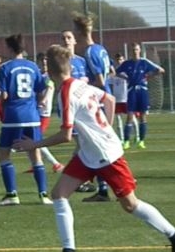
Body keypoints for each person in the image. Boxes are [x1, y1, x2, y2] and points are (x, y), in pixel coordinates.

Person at [13, 45, 175, 252]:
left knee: (130, 204)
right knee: (59, 194)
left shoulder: (65, 93)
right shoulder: (81, 85)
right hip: (89, 154)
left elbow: (66, 135)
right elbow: (110, 99)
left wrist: (34, 145)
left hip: (107, 155)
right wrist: (104, 128)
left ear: (49, 70)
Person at [0, 34, 52, 205]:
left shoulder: (5, 68)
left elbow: (4, 95)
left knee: (3, 154)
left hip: (13, 116)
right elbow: (41, 90)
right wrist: (37, 103)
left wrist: (2, 105)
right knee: (35, 154)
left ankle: (12, 194)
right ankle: (43, 194)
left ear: (10, 48)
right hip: (32, 117)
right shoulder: (33, 66)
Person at [73, 15, 113, 202]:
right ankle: (103, 187)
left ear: (79, 32)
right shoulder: (101, 49)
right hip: (104, 100)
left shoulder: (89, 52)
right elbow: (109, 72)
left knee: (97, 146)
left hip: (97, 104)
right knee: (97, 146)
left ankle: (106, 187)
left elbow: (101, 81)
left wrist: (82, 89)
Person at [62, 29, 97, 194]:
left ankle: (78, 178)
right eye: (63, 38)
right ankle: (78, 178)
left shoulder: (82, 61)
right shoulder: (61, 62)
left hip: (84, 108)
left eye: (69, 37)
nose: (66, 40)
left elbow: (92, 80)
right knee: (83, 143)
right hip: (71, 108)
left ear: (75, 41)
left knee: (85, 143)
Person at [116, 43, 165, 149]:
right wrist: (126, 78)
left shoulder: (144, 62)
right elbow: (116, 72)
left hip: (142, 90)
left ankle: (141, 141)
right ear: (130, 51)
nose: (135, 52)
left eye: (136, 49)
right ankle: (126, 141)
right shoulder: (126, 63)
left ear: (139, 50)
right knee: (129, 115)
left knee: (142, 116)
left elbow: (160, 70)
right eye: (133, 50)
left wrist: (148, 76)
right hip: (131, 91)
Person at [22, 52, 64, 174]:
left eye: (46, 60)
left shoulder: (49, 76)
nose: (44, 63)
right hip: (35, 111)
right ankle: (36, 163)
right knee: (29, 138)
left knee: (36, 139)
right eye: (42, 61)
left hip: (43, 112)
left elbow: (49, 88)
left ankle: (56, 164)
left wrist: (43, 100)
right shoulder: (38, 75)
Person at [107, 52, 138, 146]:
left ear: (124, 60)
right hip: (117, 99)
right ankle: (121, 139)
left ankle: (137, 136)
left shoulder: (127, 71)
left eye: (121, 59)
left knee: (132, 118)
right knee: (118, 120)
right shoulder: (114, 73)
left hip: (126, 98)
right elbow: (110, 85)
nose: (119, 61)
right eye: (117, 60)